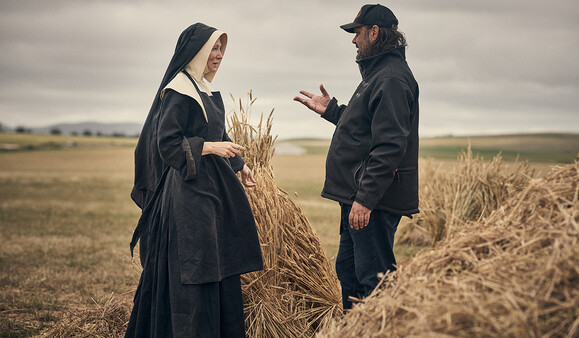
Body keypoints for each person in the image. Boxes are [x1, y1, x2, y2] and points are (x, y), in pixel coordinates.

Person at [126, 22, 263, 337]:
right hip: (189, 195)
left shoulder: (205, 89)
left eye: (220, 49)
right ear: (197, 52)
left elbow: (217, 132)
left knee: (217, 261)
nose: (218, 56)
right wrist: (212, 148)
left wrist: (239, 164)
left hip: (212, 189)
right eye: (213, 49)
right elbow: (168, 143)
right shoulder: (179, 90)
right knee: (196, 264)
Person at [294, 4, 419, 310]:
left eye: (357, 32)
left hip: (372, 201)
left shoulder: (390, 79)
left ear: (374, 32)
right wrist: (332, 111)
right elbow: (366, 127)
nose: (353, 40)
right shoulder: (378, 75)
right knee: (350, 271)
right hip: (360, 197)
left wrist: (365, 199)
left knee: (373, 280)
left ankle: (384, 330)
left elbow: (389, 145)